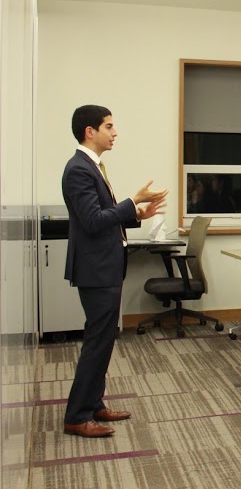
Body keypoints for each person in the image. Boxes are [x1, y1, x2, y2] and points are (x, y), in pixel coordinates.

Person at [62, 105, 167, 438]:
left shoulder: (92, 166)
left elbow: (104, 215)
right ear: (90, 131)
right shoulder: (79, 170)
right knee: (97, 342)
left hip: (105, 267)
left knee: (104, 340)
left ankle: (93, 404)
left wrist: (137, 214)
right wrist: (132, 202)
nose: (115, 132)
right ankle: (77, 416)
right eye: (109, 126)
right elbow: (93, 221)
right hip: (96, 270)